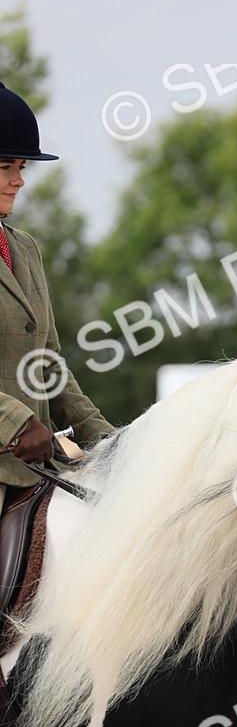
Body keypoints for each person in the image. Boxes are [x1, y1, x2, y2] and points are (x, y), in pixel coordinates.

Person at [0, 82, 113, 511]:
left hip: (38, 470)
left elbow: (47, 362)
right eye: (7, 166)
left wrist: (102, 435)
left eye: (21, 165)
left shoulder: (24, 248)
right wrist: (16, 420)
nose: (20, 180)